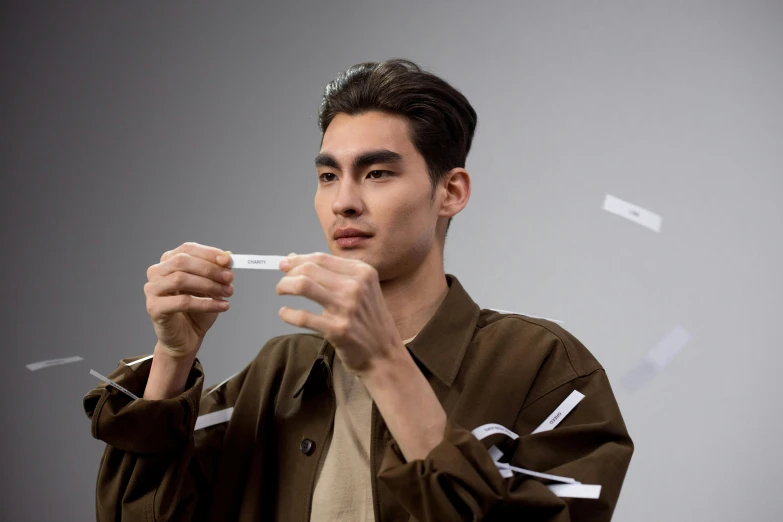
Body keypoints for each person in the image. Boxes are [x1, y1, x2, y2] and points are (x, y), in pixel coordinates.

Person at [83, 58, 633, 522]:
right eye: (328, 176)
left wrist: (387, 366)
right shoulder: (277, 373)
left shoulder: (546, 369)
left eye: (377, 173)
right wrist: (173, 358)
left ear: (451, 191)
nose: (344, 202)